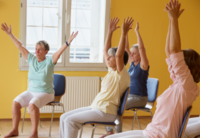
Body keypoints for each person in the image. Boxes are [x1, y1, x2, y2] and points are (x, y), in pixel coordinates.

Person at [106, 0, 200, 138]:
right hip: (150, 131)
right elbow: (169, 51)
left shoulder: (187, 86)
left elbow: (173, 51)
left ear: (187, 66)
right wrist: (170, 20)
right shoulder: (180, 84)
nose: (175, 61)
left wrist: (174, 20)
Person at [59, 17, 132, 138]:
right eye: (108, 57)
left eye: (111, 57)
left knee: (70, 121)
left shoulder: (122, 75)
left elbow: (119, 55)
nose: (107, 58)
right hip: (96, 107)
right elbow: (105, 50)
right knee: (63, 117)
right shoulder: (111, 70)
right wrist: (110, 32)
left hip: (106, 112)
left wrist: (124, 34)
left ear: (119, 61)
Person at [1, 23, 78, 138]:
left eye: (40, 50)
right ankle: (14, 130)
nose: (37, 52)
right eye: (36, 49)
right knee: (16, 103)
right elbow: (20, 46)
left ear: (46, 52)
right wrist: (10, 34)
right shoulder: (32, 59)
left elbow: (60, 51)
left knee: (32, 104)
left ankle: (34, 133)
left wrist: (68, 42)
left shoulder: (50, 62)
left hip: (46, 93)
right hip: (31, 91)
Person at [103, 22, 149, 137]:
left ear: (140, 55)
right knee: (112, 104)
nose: (131, 55)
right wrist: (126, 33)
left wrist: (137, 32)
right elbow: (126, 49)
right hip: (129, 96)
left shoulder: (143, 65)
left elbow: (142, 48)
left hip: (140, 98)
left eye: (134, 54)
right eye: (131, 54)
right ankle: (110, 131)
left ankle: (118, 133)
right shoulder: (132, 64)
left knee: (120, 106)